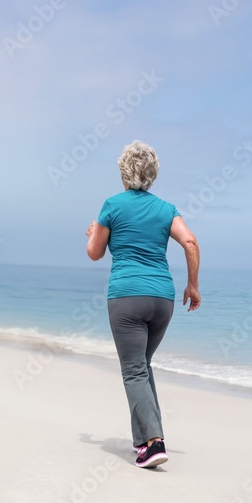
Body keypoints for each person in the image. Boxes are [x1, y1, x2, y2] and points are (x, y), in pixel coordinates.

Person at [85, 140, 201, 469]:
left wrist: (93, 233)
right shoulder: (166, 209)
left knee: (133, 370)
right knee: (142, 366)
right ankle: (145, 441)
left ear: (124, 173)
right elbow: (190, 241)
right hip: (163, 300)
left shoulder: (112, 204)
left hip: (127, 297)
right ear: (152, 174)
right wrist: (192, 285)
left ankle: (155, 443)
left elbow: (95, 253)